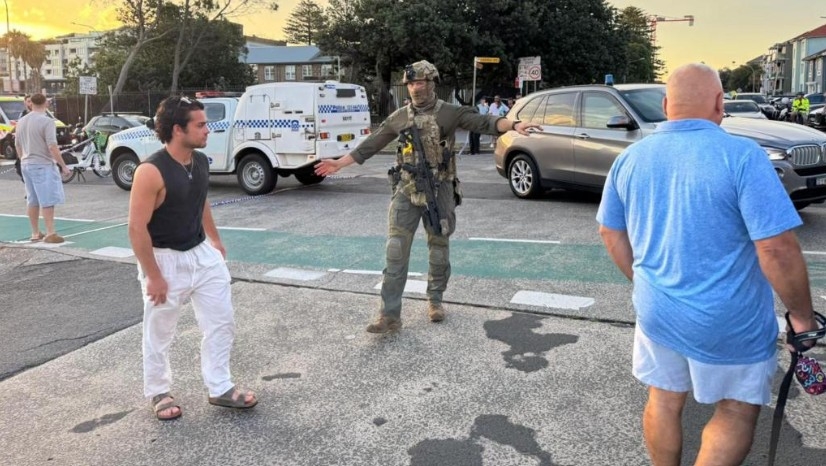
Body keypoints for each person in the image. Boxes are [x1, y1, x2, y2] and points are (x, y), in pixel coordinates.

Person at [596, 63, 819, 466]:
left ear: (667, 105)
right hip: (730, 321)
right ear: (720, 103)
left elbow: (610, 232)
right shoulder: (743, 156)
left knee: (664, 400)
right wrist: (802, 318)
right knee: (735, 409)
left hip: (657, 313)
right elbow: (776, 249)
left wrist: (643, 281)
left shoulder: (631, 158)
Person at [315, 60, 540, 334]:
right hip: (407, 189)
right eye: (411, 83)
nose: (415, 88)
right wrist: (340, 163)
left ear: (432, 83)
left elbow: (485, 122)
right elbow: (373, 143)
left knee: (438, 246)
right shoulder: (400, 117)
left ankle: (435, 300)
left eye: (420, 82)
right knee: (395, 250)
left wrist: (514, 124)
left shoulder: (450, 113)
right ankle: (389, 315)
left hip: (439, 188)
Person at [128, 96, 257, 421]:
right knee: (159, 332)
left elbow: (200, 201)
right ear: (177, 130)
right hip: (163, 259)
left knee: (221, 322)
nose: (207, 130)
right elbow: (136, 228)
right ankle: (159, 391)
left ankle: (220, 387)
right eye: (200, 125)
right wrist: (153, 275)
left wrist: (215, 240)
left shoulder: (199, 161)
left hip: (201, 254)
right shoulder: (150, 171)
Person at [15, 93, 70, 243]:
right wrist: (63, 165)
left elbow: (17, 144)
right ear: (46, 103)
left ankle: (35, 232)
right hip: (42, 164)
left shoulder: (21, 121)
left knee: (32, 199)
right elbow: (52, 146)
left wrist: (22, 159)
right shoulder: (47, 121)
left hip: (26, 163)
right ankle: (50, 232)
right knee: (47, 199)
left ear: (30, 103)